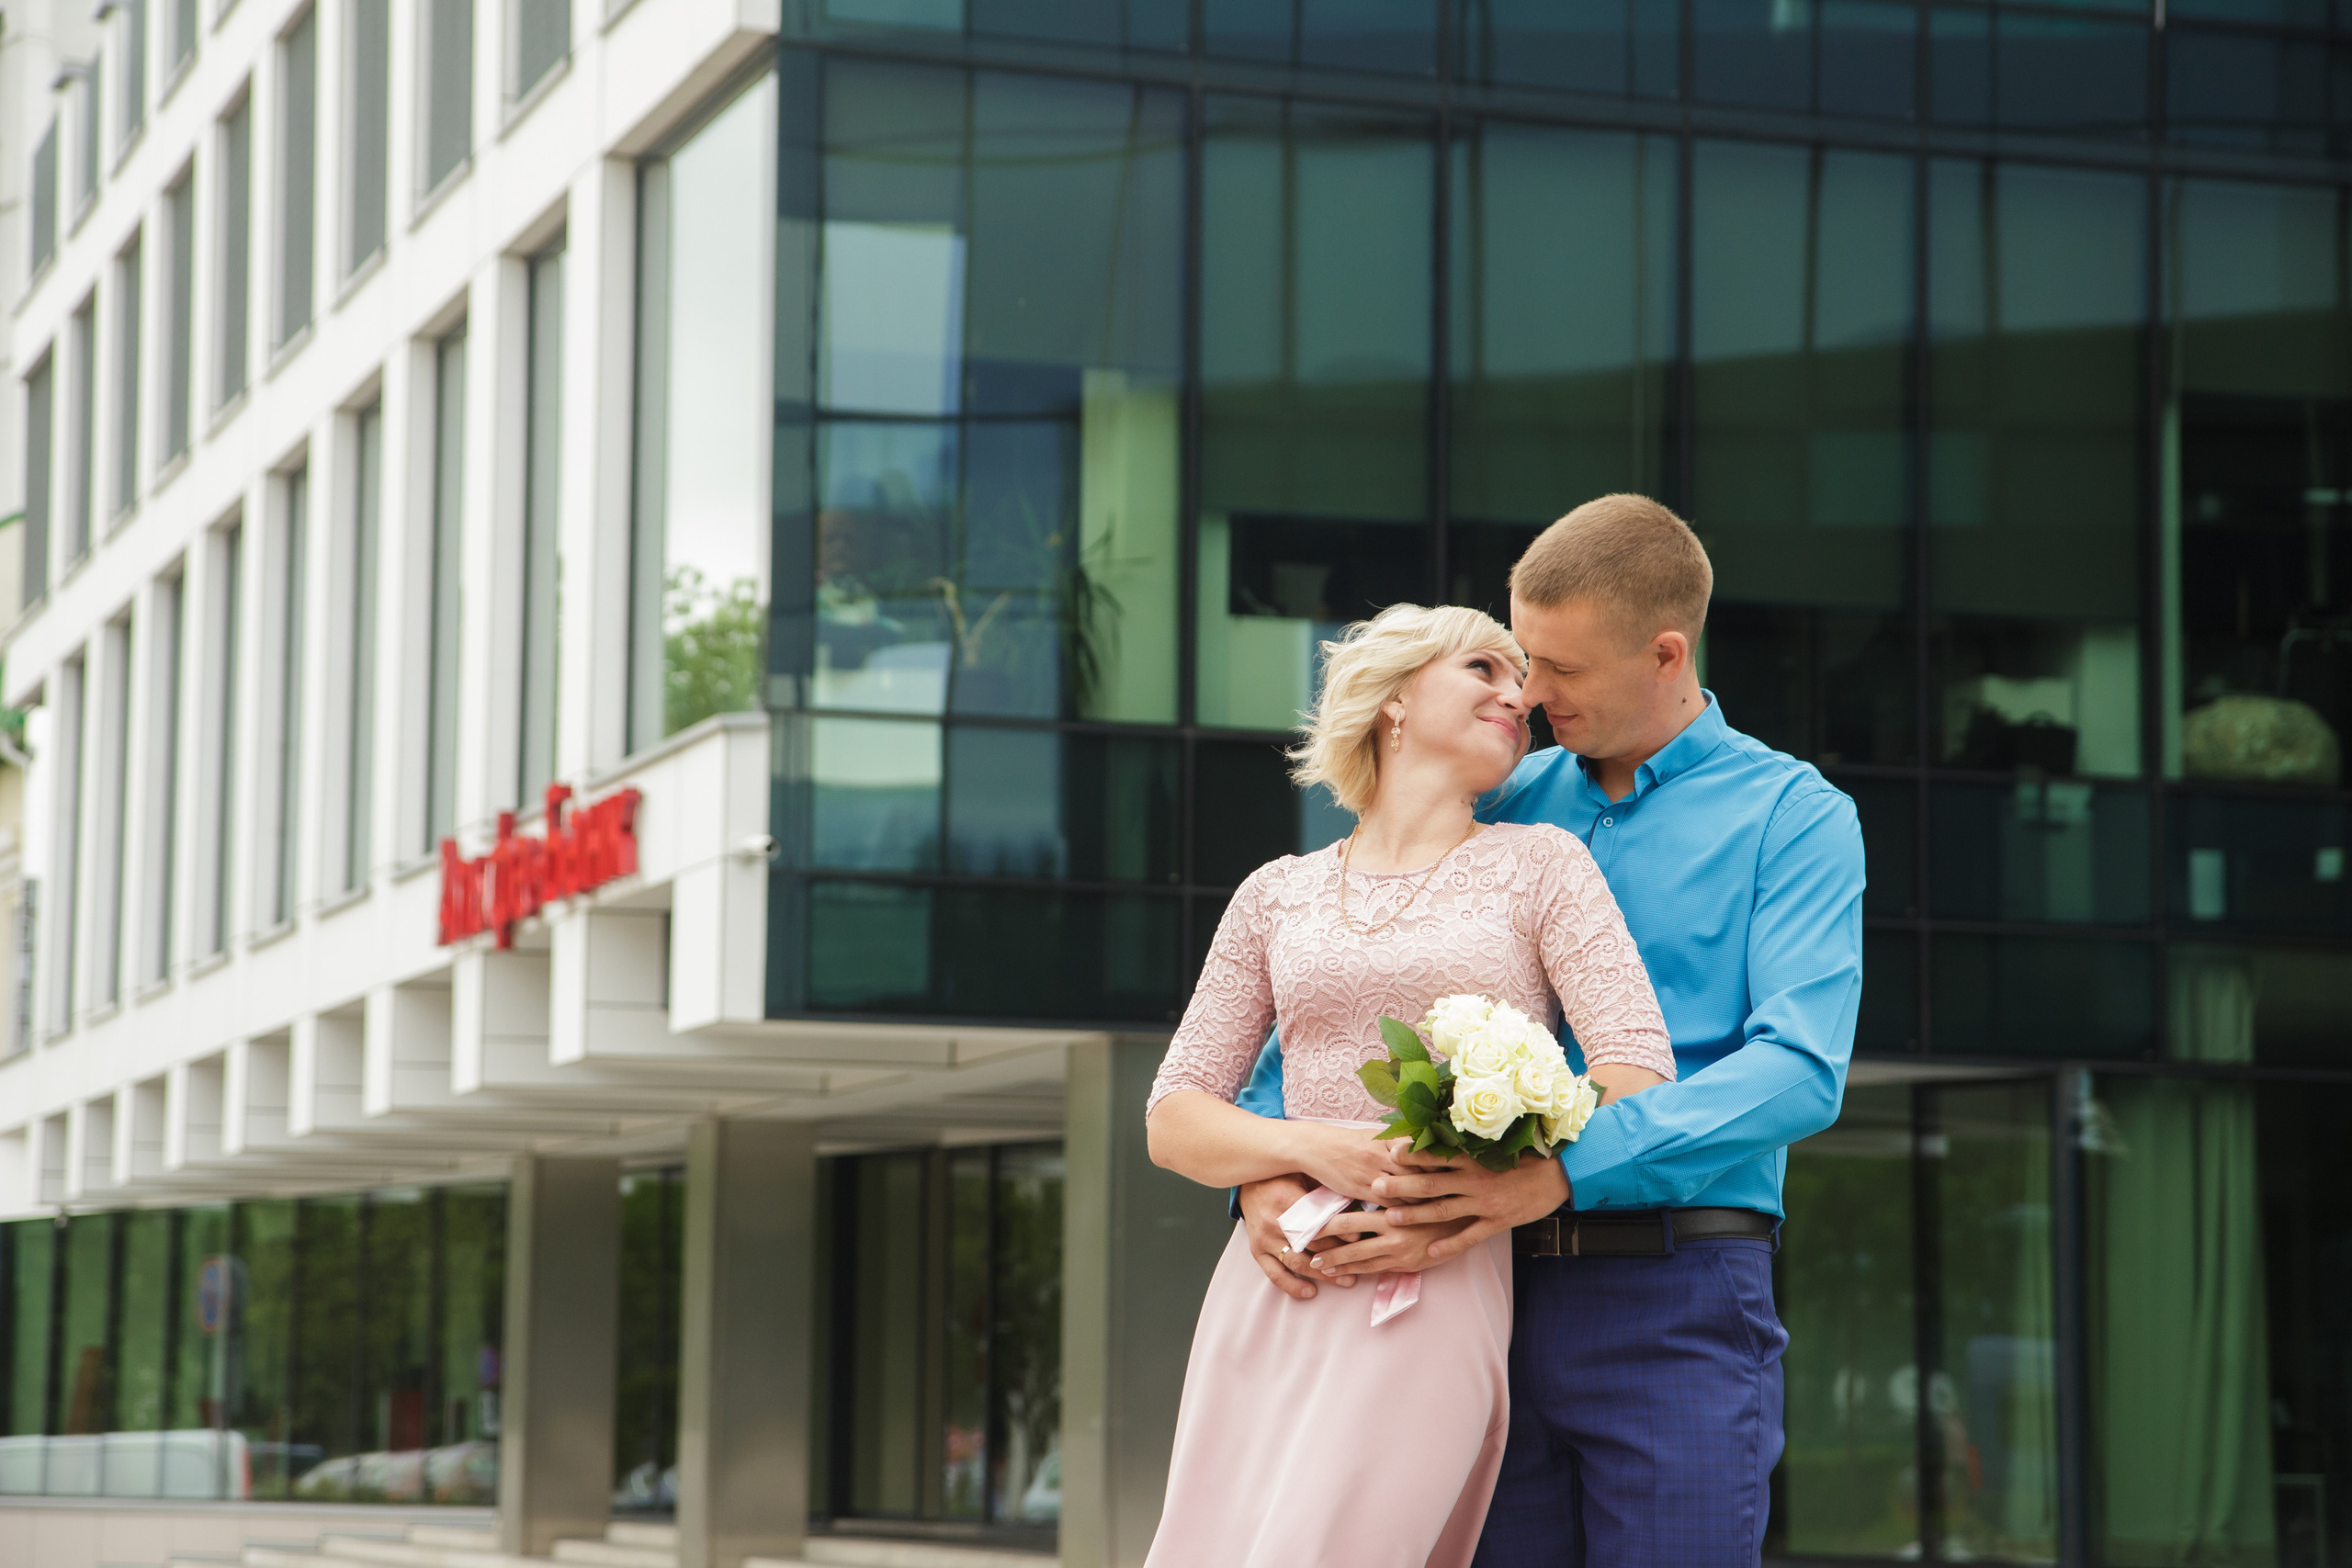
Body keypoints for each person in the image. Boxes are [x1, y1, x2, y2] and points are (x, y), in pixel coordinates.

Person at [1233, 494, 1866, 1568]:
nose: (1527, 693)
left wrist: (1564, 1171)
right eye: (1518, 660)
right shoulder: (1502, 800)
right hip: (1464, 1300)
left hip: (1676, 1300)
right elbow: (1312, 1016)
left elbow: (1800, 1072)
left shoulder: (1792, 817)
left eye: (1558, 669)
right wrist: (1267, 1176)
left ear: (1666, 653)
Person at [1142, 603, 1677, 1568]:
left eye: (1520, 681)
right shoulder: (1274, 892)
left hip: (1431, 1280)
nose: (1517, 696)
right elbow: (1175, 1117)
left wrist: (1489, 1177)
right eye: (1483, 668)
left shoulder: (1542, 865)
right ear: (1393, 699)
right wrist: (1309, 1149)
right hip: (1275, 1284)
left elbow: (1635, 1067)